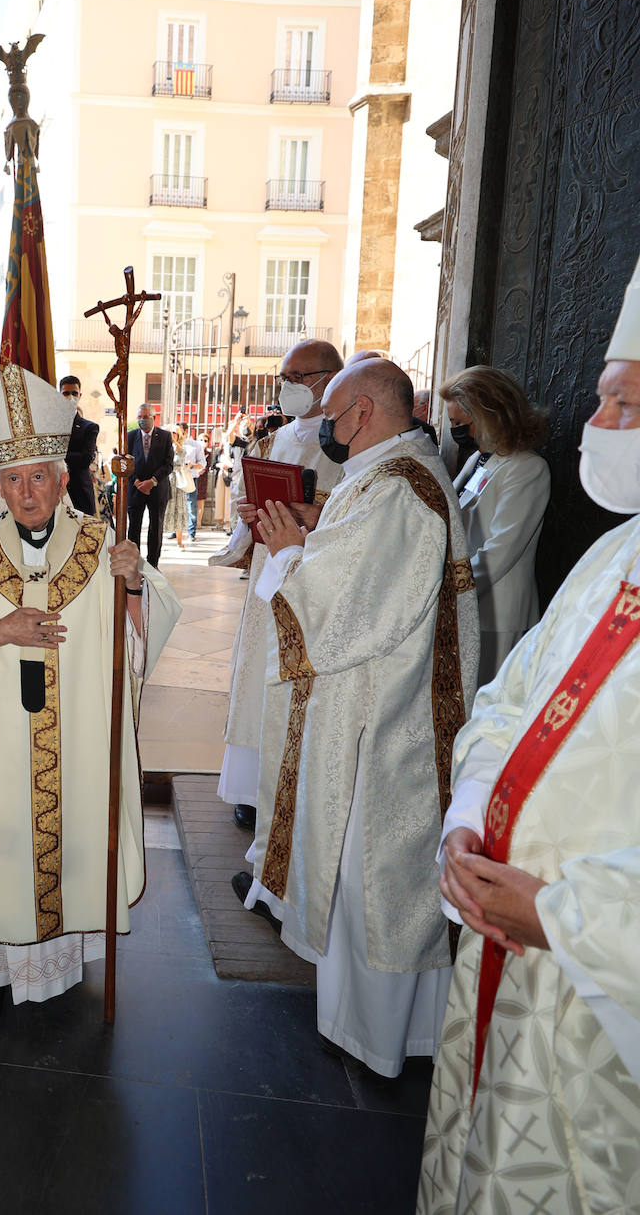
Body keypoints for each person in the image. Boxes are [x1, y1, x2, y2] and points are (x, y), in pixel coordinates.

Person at [418, 261, 640, 1215]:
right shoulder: (615, 554)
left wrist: (562, 916)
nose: (603, 425)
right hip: (502, 943)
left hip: (591, 993)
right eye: (603, 398)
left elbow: (489, 555)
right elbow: (513, 698)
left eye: (629, 402)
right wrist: (473, 811)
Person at [0, 363, 181, 1022]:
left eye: (39, 476)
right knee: (1, 840)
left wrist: (136, 583)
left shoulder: (100, 543)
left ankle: (61, 962)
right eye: (13, 479)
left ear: (63, 479)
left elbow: (147, 633)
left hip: (81, 736)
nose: (27, 492)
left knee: (76, 837)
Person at [248, 358, 479, 1075]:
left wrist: (292, 554)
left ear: (365, 414)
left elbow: (343, 612)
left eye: (335, 410)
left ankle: (376, 1040)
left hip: (384, 724)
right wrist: (315, 529)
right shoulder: (389, 475)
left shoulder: (401, 491)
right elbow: (364, 567)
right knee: (366, 877)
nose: (326, 423)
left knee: (375, 879)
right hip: (377, 704)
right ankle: (371, 1028)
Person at [211, 340, 344, 834]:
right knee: (255, 676)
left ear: (329, 377)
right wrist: (248, 518)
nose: (287, 387)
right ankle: (248, 789)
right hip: (269, 569)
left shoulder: (345, 443)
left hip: (313, 575)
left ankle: (285, 788)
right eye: (283, 378)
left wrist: (314, 509)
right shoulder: (270, 441)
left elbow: (353, 511)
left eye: (297, 377)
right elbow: (246, 503)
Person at [440, 365, 551, 684]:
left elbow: (501, 550)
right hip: (468, 603)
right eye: (452, 423)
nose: (457, 431)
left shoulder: (527, 468)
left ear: (491, 415)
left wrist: (450, 590)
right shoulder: (479, 459)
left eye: (461, 423)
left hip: (498, 613)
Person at [126, 404, 173, 569]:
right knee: (134, 528)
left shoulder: (165, 436)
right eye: (139, 417)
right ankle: (134, 563)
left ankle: (153, 564)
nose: (142, 420)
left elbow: (168, 464)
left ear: (154, 418)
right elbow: (125, 462)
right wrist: (136, 482)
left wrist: (152, 481)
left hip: (157, 489)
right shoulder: (130, 436)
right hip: (135, 489)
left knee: (156, 527)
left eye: (146, 417)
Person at [59, 375, 99, 515]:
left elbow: (86, 458)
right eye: (66, 393)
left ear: (80, 395)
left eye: (74, 393)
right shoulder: (50, 425)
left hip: (79, 490)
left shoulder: (89, 427)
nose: (70, 397)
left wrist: (59, 455)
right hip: (54, 491)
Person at [163, 425, 193, 550]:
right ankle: (161, 541)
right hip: (166, 480)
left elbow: (179, 462)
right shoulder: (162, 448)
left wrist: (175, 445)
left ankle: (180, 542)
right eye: (169, 433)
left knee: (179, 510)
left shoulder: (182, 449)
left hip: (178, 482)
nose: (171, 435)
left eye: (174, 433)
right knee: (165, 510)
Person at [178, 422, 206, 541]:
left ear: (185, 431)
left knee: (191, 506)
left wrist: (191, 465)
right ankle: (176, 530)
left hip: (190, 478)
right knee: (177, 506)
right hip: (177, 479)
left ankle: (191, 532)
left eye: (178, 431)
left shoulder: (195, 445)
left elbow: (202, 463)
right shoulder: (172, 445)